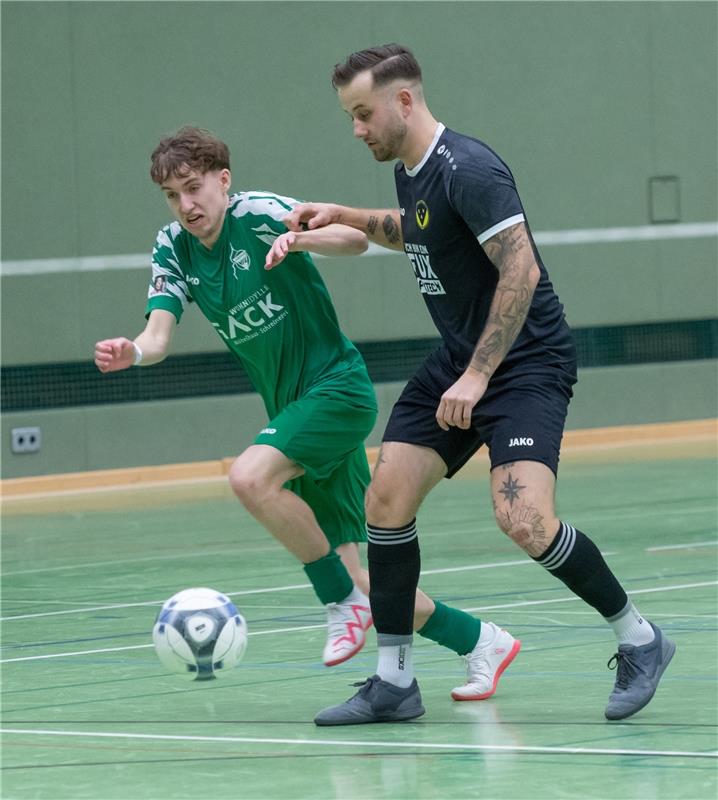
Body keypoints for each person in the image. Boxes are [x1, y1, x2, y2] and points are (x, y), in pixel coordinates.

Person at [277, 44, 676, 725]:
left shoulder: (471, 167)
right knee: (386, 497)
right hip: (462, 356)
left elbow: (520, 269)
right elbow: (422, 232)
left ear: (404, 100)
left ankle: (641, 640)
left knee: (523, 518)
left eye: (364, 113)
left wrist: (479, 373)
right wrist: (345, 214)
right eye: (350, 116)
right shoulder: (413, 170)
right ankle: (394, 682)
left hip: (524, 362)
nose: (357, 130)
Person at [94, 125, 521, 699]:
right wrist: (136, 351)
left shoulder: (262, 212)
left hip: (336, 392)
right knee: (364, 578)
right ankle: (482, 643)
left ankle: (336, 601)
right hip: (293, 409)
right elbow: (159, 333)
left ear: (223, 181)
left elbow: (352, 239)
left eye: (194, 188)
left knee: (249, 477)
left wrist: (299, 242)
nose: (186, 205)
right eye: (173, 195)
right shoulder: (172, 246)